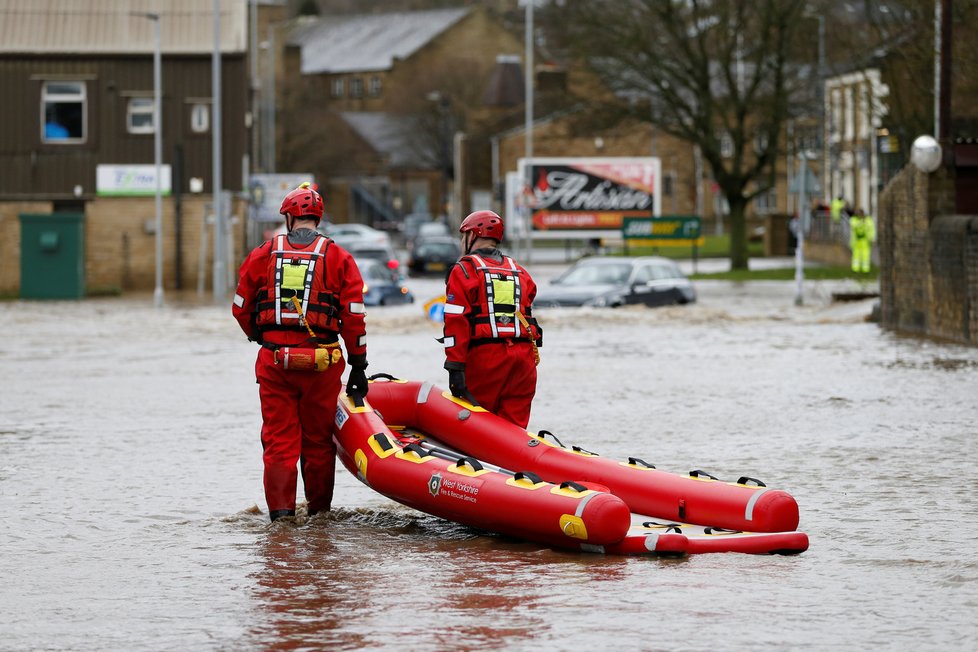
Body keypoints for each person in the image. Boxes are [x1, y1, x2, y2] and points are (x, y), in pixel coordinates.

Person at [232, 183, 369, 522]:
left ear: (290, 218)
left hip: (275, 360)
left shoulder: (263, 252)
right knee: (319, 442)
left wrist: (258, 336)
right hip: (323, 362)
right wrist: (358, 363)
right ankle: (320, 516)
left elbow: (240, 307)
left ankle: (281, 520)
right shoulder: (339, 257)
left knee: (279, 442)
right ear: (317, 218)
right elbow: (353, 315)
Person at [442, 210, 543, 428]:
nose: (462, 242)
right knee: (513, 429)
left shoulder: (464, 270)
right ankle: (516, 461)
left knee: (477, 426)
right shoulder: (520, 271)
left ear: (473, 235)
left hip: (486, 360)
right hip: (523, 362)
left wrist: (454, 367)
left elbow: (455, 322)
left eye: (463, 236)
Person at [849, 207, 876, 273]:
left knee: (865, 255)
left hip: (865, 241)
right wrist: (861, 222)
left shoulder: (868, 220)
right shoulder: (854, 219)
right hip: (856, 241)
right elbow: (853, 225)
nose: (860, 215)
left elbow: (871, 228)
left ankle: (865, 269)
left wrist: (872, 238)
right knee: (856, 255)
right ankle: (855, 269)